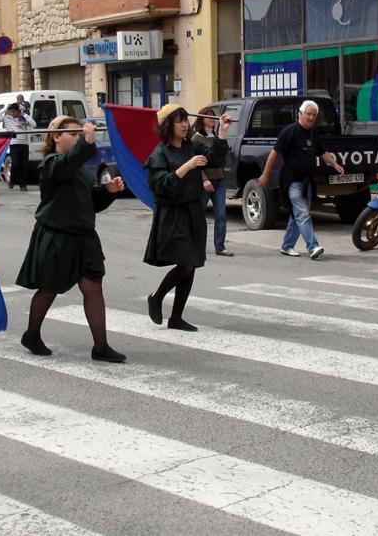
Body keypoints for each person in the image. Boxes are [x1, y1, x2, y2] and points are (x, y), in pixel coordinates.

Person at [17, 116, 127, 361]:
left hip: (84, 238)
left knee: (93, 287)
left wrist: (107, 192)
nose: (78, 138)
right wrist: (87, 142)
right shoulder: (51, 164)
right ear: (56, 136)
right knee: (49, 289)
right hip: (57, 237)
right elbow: (66, 164)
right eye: (73, 134)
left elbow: (90, 204)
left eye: (79, 134)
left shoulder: (80, 169)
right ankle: (32, 335)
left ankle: (101, 347)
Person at [145, 104, 231, 331]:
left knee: (191, 263)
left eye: (185, 119)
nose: (185, 124)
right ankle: (156, 297)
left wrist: (222, 132)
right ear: (167, 125)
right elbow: (161, 185)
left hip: (194, 211)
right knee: (186, 262)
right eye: (179, 120)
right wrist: (188, 166)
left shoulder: (193, 145)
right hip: (173, 214)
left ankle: (176, 317)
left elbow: (215, 160)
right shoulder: (160, 153)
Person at [257, 100, 344, 260]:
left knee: (297, 215)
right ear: (300, 114)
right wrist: (266, 174)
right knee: (303, 214)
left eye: (314, 115)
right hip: (292, 181)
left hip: (307, 182)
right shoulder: (289, 132)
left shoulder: (313, 133)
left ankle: (287, 245)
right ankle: (313, 246)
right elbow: (274, 153)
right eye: (308, 114)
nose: (311, 118)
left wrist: (335, 164)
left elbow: (322, 152)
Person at [192, 109, 232, 257]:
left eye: (213, 116)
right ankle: (196, 244)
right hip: (205, 181)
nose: (212, 118)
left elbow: (221, 156)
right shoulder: (196, 139)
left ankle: (220, 246)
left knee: (221, 214)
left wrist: (223, 132)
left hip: (219, 180)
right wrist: (204, 179)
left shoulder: (216, 136)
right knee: (199, 214)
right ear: (202, 119)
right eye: (208, 116)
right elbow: (194, 162)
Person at [0, 103, 35, 190]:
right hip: (14, 144)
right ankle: (12, 180)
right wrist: (6, 108)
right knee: (16, 164)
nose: (12, 114)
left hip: (24, 144)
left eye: (14, 112)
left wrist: (24, 115)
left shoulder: (23, 118)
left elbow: (33, 124)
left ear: (18, 111)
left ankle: (23, 185)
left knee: (24, 165)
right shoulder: (7, 118)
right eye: (11, 112)